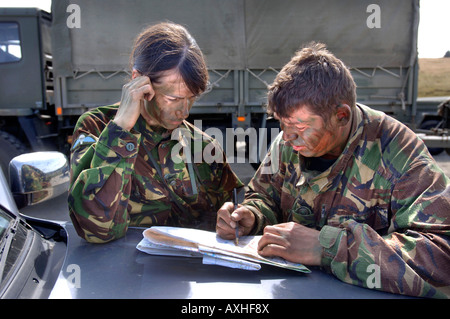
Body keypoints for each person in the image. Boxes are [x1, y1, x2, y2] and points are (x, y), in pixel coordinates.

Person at [216, 42, 450, 298]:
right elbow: (264, 197)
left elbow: (440, 254)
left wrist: (327, 247)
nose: (287, 137)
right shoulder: (288, 143)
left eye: (300, 126)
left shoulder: (398, 152)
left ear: (341, 116)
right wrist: (252, 216)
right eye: (282, 124)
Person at [69, 22, 243, 243]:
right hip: (124, 273)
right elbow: (96, 231)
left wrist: (232, 218)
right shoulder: (97, 128)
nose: (185, 111)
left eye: (192, 99)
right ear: (138, 81)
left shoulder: (203, 146)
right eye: (173, 99)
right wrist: (121, 128)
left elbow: (233, 210)